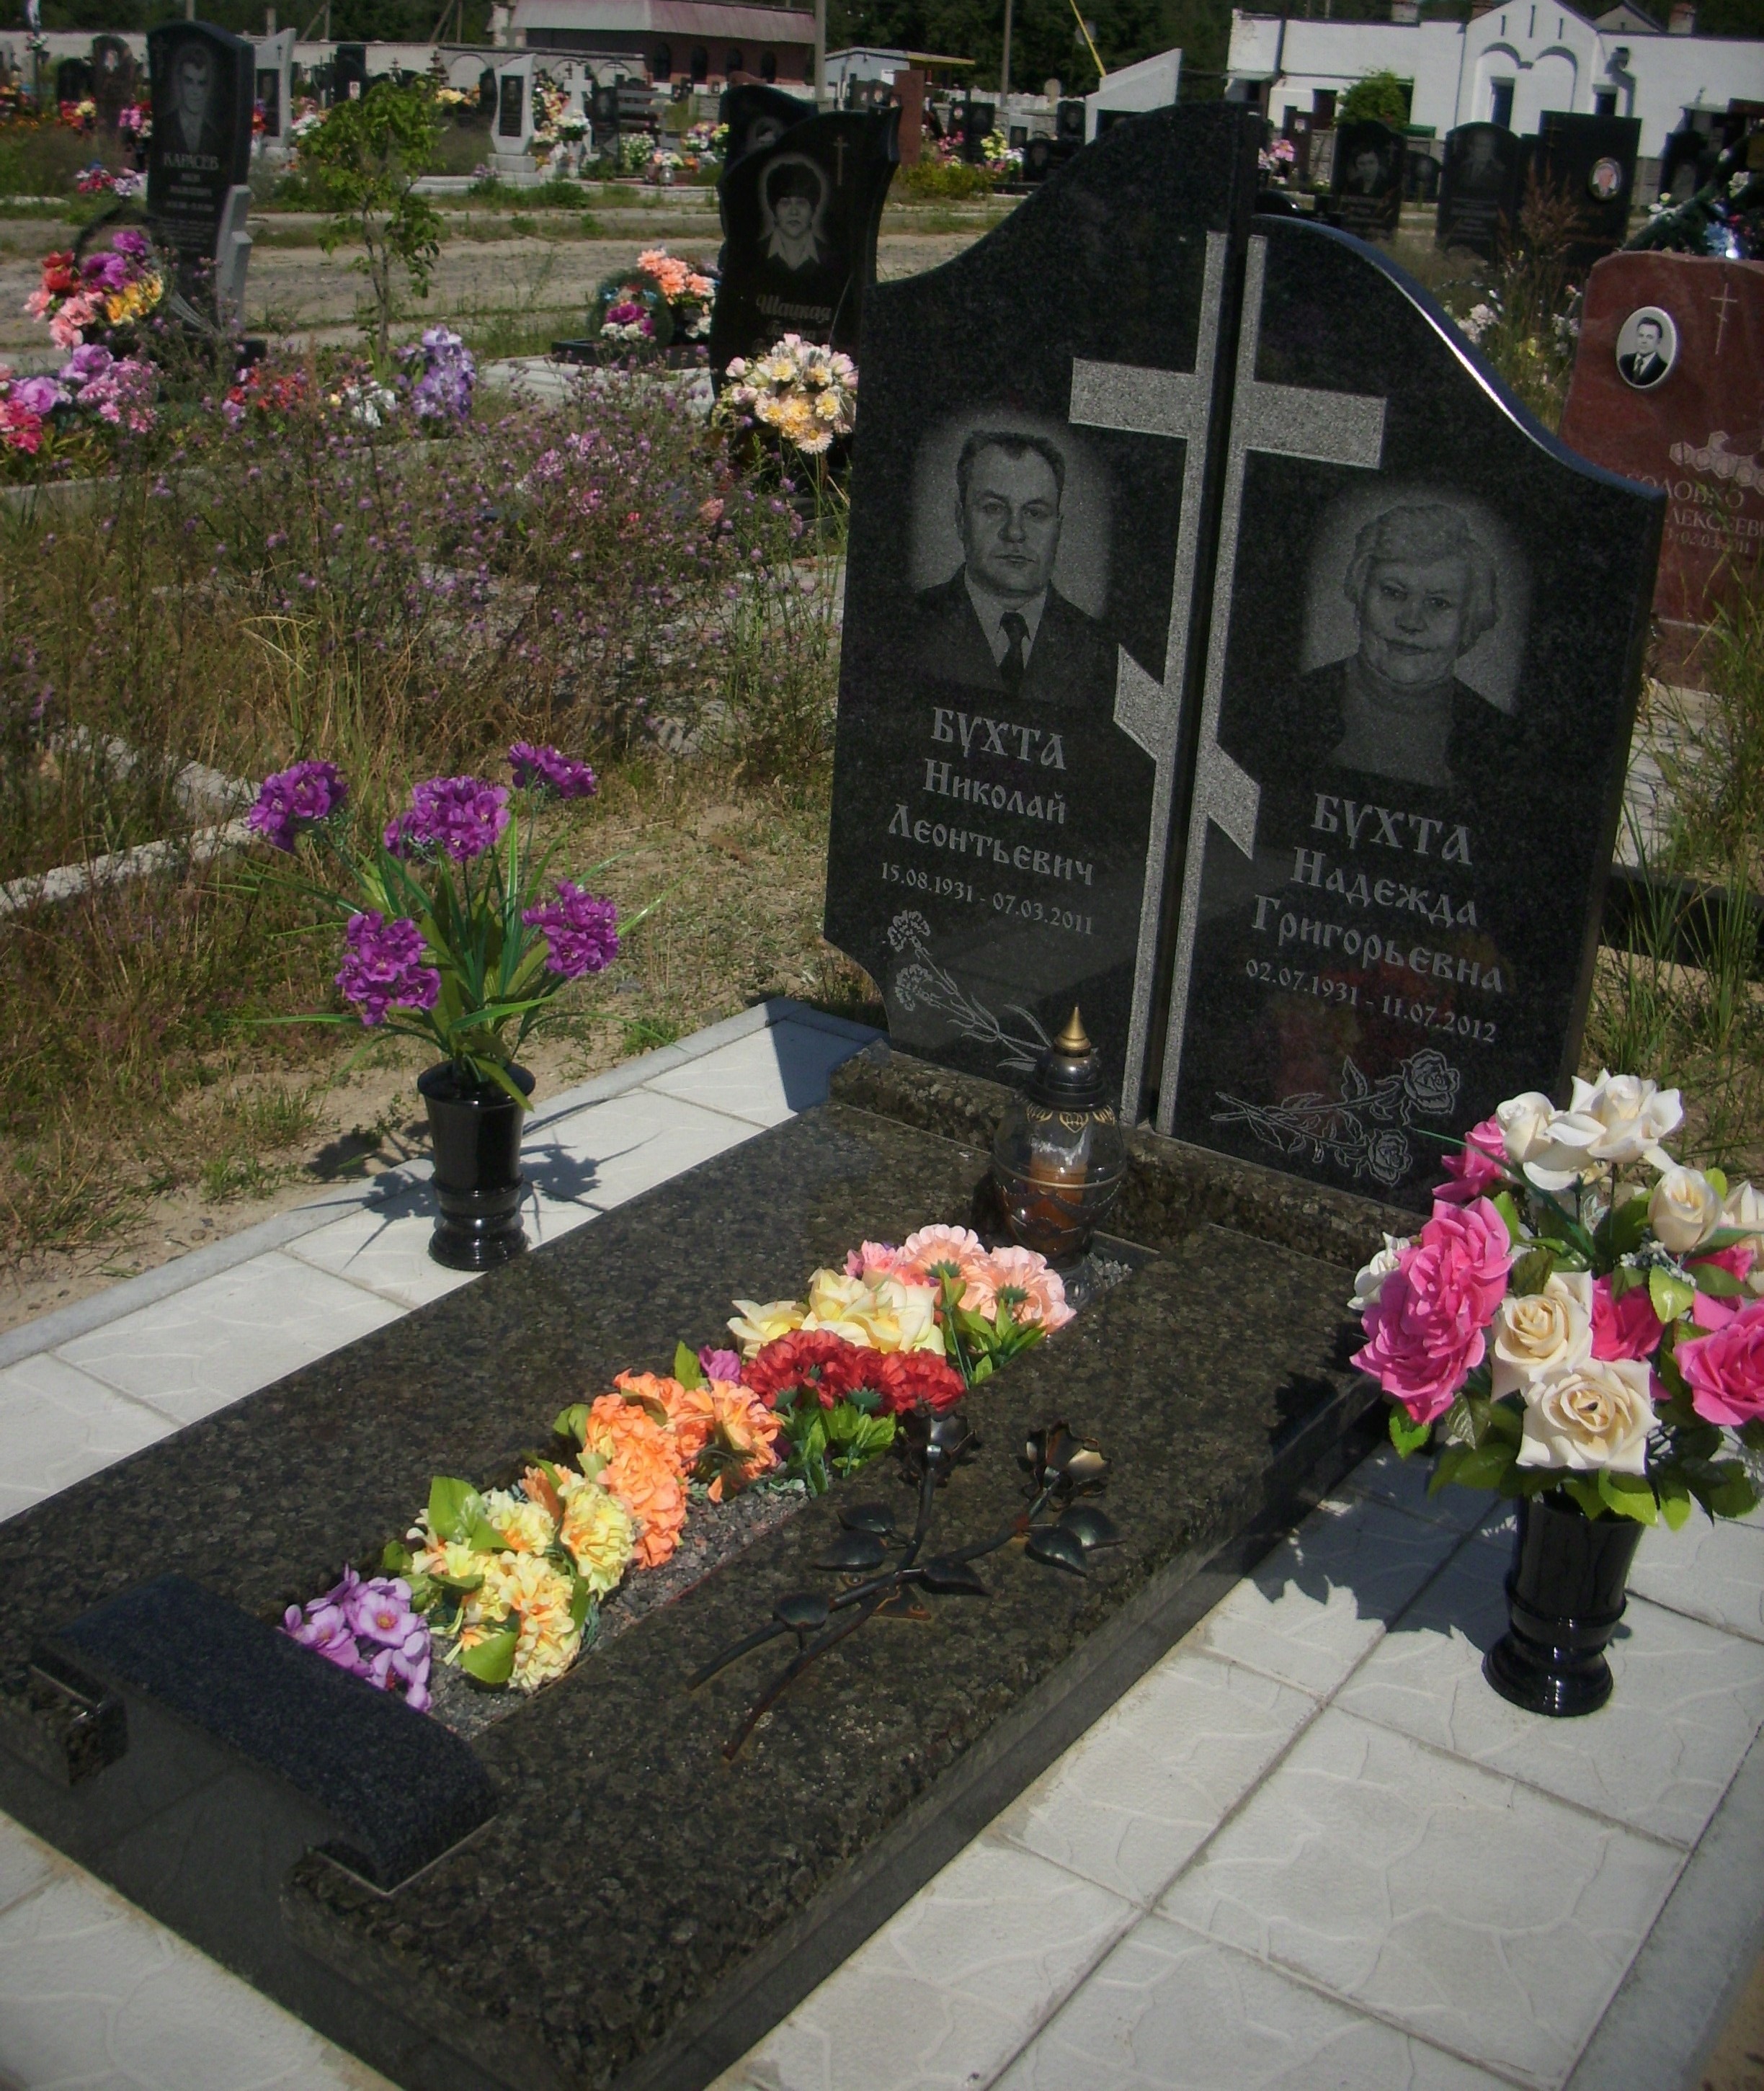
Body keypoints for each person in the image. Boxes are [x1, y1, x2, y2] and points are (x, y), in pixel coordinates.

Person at [1277, 502, 1519, 792]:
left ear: (1469, 620)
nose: (1411, 622)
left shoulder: (1502, 742)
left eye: (1438, 603)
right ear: (1361, 596)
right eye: (1393, 593)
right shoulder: (1292, 706)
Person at [914, 429, 1115, 707]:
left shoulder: (1101, 650)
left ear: (1058, 529)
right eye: (994, 509)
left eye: (1035, 513)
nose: (1015, 533)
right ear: (961, 520)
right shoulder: (907, 626)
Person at [761, 157, 825, 270]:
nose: (794, 212)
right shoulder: (751, 256)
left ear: (813, 209)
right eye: (785, 203)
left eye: (801, 203)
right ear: (773, 208)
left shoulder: (833, 259)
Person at [169, 38, 214, 156]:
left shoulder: (214, 135)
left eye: (201, 83)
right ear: (179, 82)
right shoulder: (165, 127)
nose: (195, 92)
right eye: (189, 82)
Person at [1618, 313, 1671, 388]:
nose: (1644, 341)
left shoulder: (1662, 369)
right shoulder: (1624, 361)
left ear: (1658, 341)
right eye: (1641, 336)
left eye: (1650, 337)